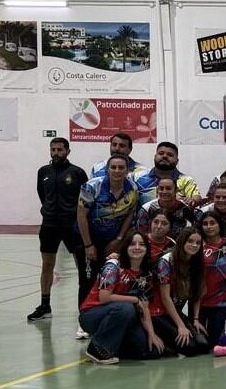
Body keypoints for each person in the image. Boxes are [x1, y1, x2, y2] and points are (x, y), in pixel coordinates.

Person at [75, 154, 141, 338]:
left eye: (121, 168)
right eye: (114, 167)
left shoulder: (132, 188)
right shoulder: (92, 186)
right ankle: (83, 320)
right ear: (108, 169)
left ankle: (105, 319)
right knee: (87, 278)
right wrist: (88, 245)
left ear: (127, 170)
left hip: (112, 241)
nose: (117, 171)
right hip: (89, 238)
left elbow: (129, 214)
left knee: (108, 280)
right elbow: (81, 215)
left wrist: (119, 239)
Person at [78, 231, 165, 364]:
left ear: (147, 249)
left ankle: (114, 345)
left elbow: (144, 308)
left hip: (123, 316)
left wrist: (152, 334)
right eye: (132, 244)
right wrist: (135, 300)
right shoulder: (113, 265)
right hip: (92, 314)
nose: (137, 247)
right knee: (127, 308)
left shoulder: (146, 274)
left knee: (151, 351)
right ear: (125, 247)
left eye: (141, 244)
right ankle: (97, 350)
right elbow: (104, 297)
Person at [30, 137, 87, 322]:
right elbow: (42, 194)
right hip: (49, 225)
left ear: (67, 151)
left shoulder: (77, 173)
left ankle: (85, 306)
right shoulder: (43, 172)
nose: (56, 153)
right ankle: (45, 305)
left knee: (81, 265)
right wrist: (49, 211)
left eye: (60, 150)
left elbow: (85, 199)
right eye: (53, 149)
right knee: (47, 265)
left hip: (72, 226)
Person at [191, 212, 226, 346]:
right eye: (205, 224)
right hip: (199, 302)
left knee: (213, 343)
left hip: (221, 303)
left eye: (212, 223)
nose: (208, 227)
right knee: (199, 344)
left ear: (219, 225)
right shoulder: (196, 246)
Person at [152, 227, 200, 355]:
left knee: (203, 345)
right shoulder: (166, 261)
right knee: (190, 348)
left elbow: (198, 292)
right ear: (182, 241)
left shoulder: (195, 261)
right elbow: (165, 298)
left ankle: (168, 341)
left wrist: (195, 319)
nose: (194, 245)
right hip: (159, 312)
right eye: (190, 241)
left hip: (175, 311)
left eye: (198, 243)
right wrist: (180, 325)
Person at [132, 142, 201, 207]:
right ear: (155, 157)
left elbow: (196, 197)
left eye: (170, 155)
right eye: (161, 153)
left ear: (177, 161)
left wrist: (193, 200)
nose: (165, 156)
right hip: (143, 218)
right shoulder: (138, 177)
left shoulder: (186, 180)